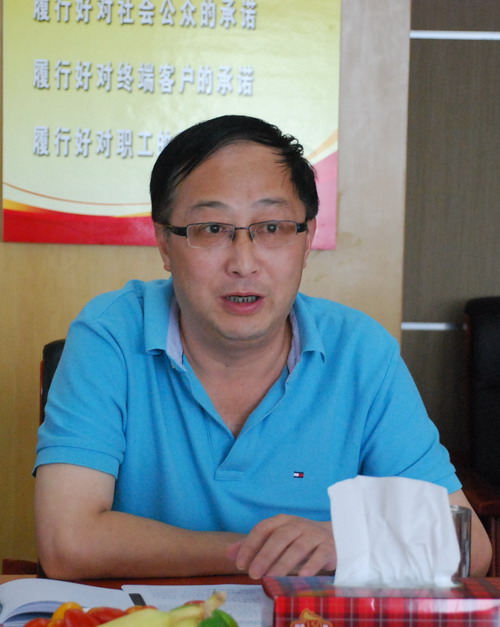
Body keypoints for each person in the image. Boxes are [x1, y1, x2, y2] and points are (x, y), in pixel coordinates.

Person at [34, 115, 492, 580]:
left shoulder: (360, 352)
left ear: (307, 240)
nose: (243, 263)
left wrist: (345, 543)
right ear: (165, 245)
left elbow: (469, 546)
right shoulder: (110, 335)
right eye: (211, 228)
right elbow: (67, 543)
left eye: (272, 227)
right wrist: (266, 553)